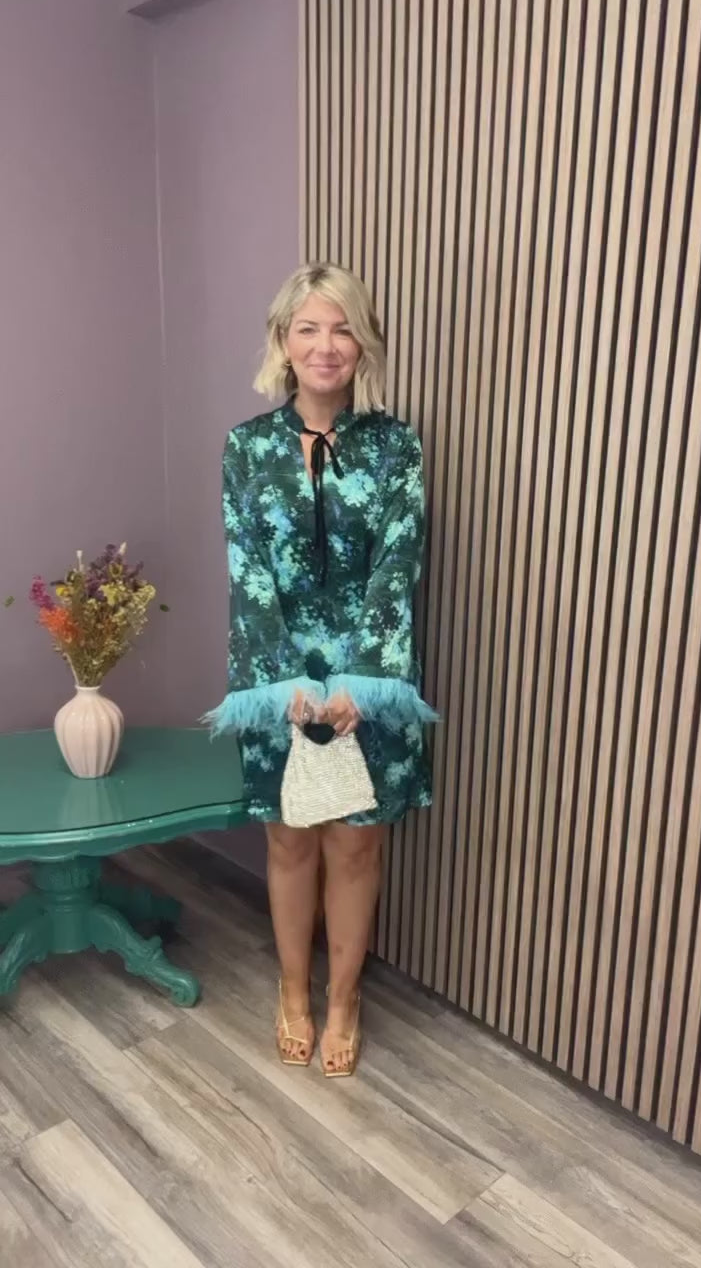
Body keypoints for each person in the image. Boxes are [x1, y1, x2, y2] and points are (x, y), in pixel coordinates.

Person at [206, 262, 436, 1076]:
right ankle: (291, 990)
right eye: (308, 328)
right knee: (290, 841)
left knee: (357, 848)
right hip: (278, 681)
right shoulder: (246, 448)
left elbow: (398, 567)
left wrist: (361, 683)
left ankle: (343, 1001)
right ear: (283, 341)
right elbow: (248, 575)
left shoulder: (397, 445)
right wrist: (287, 684)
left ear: (363, 343)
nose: (326, 345)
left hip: (370, 682)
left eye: (343, 329)